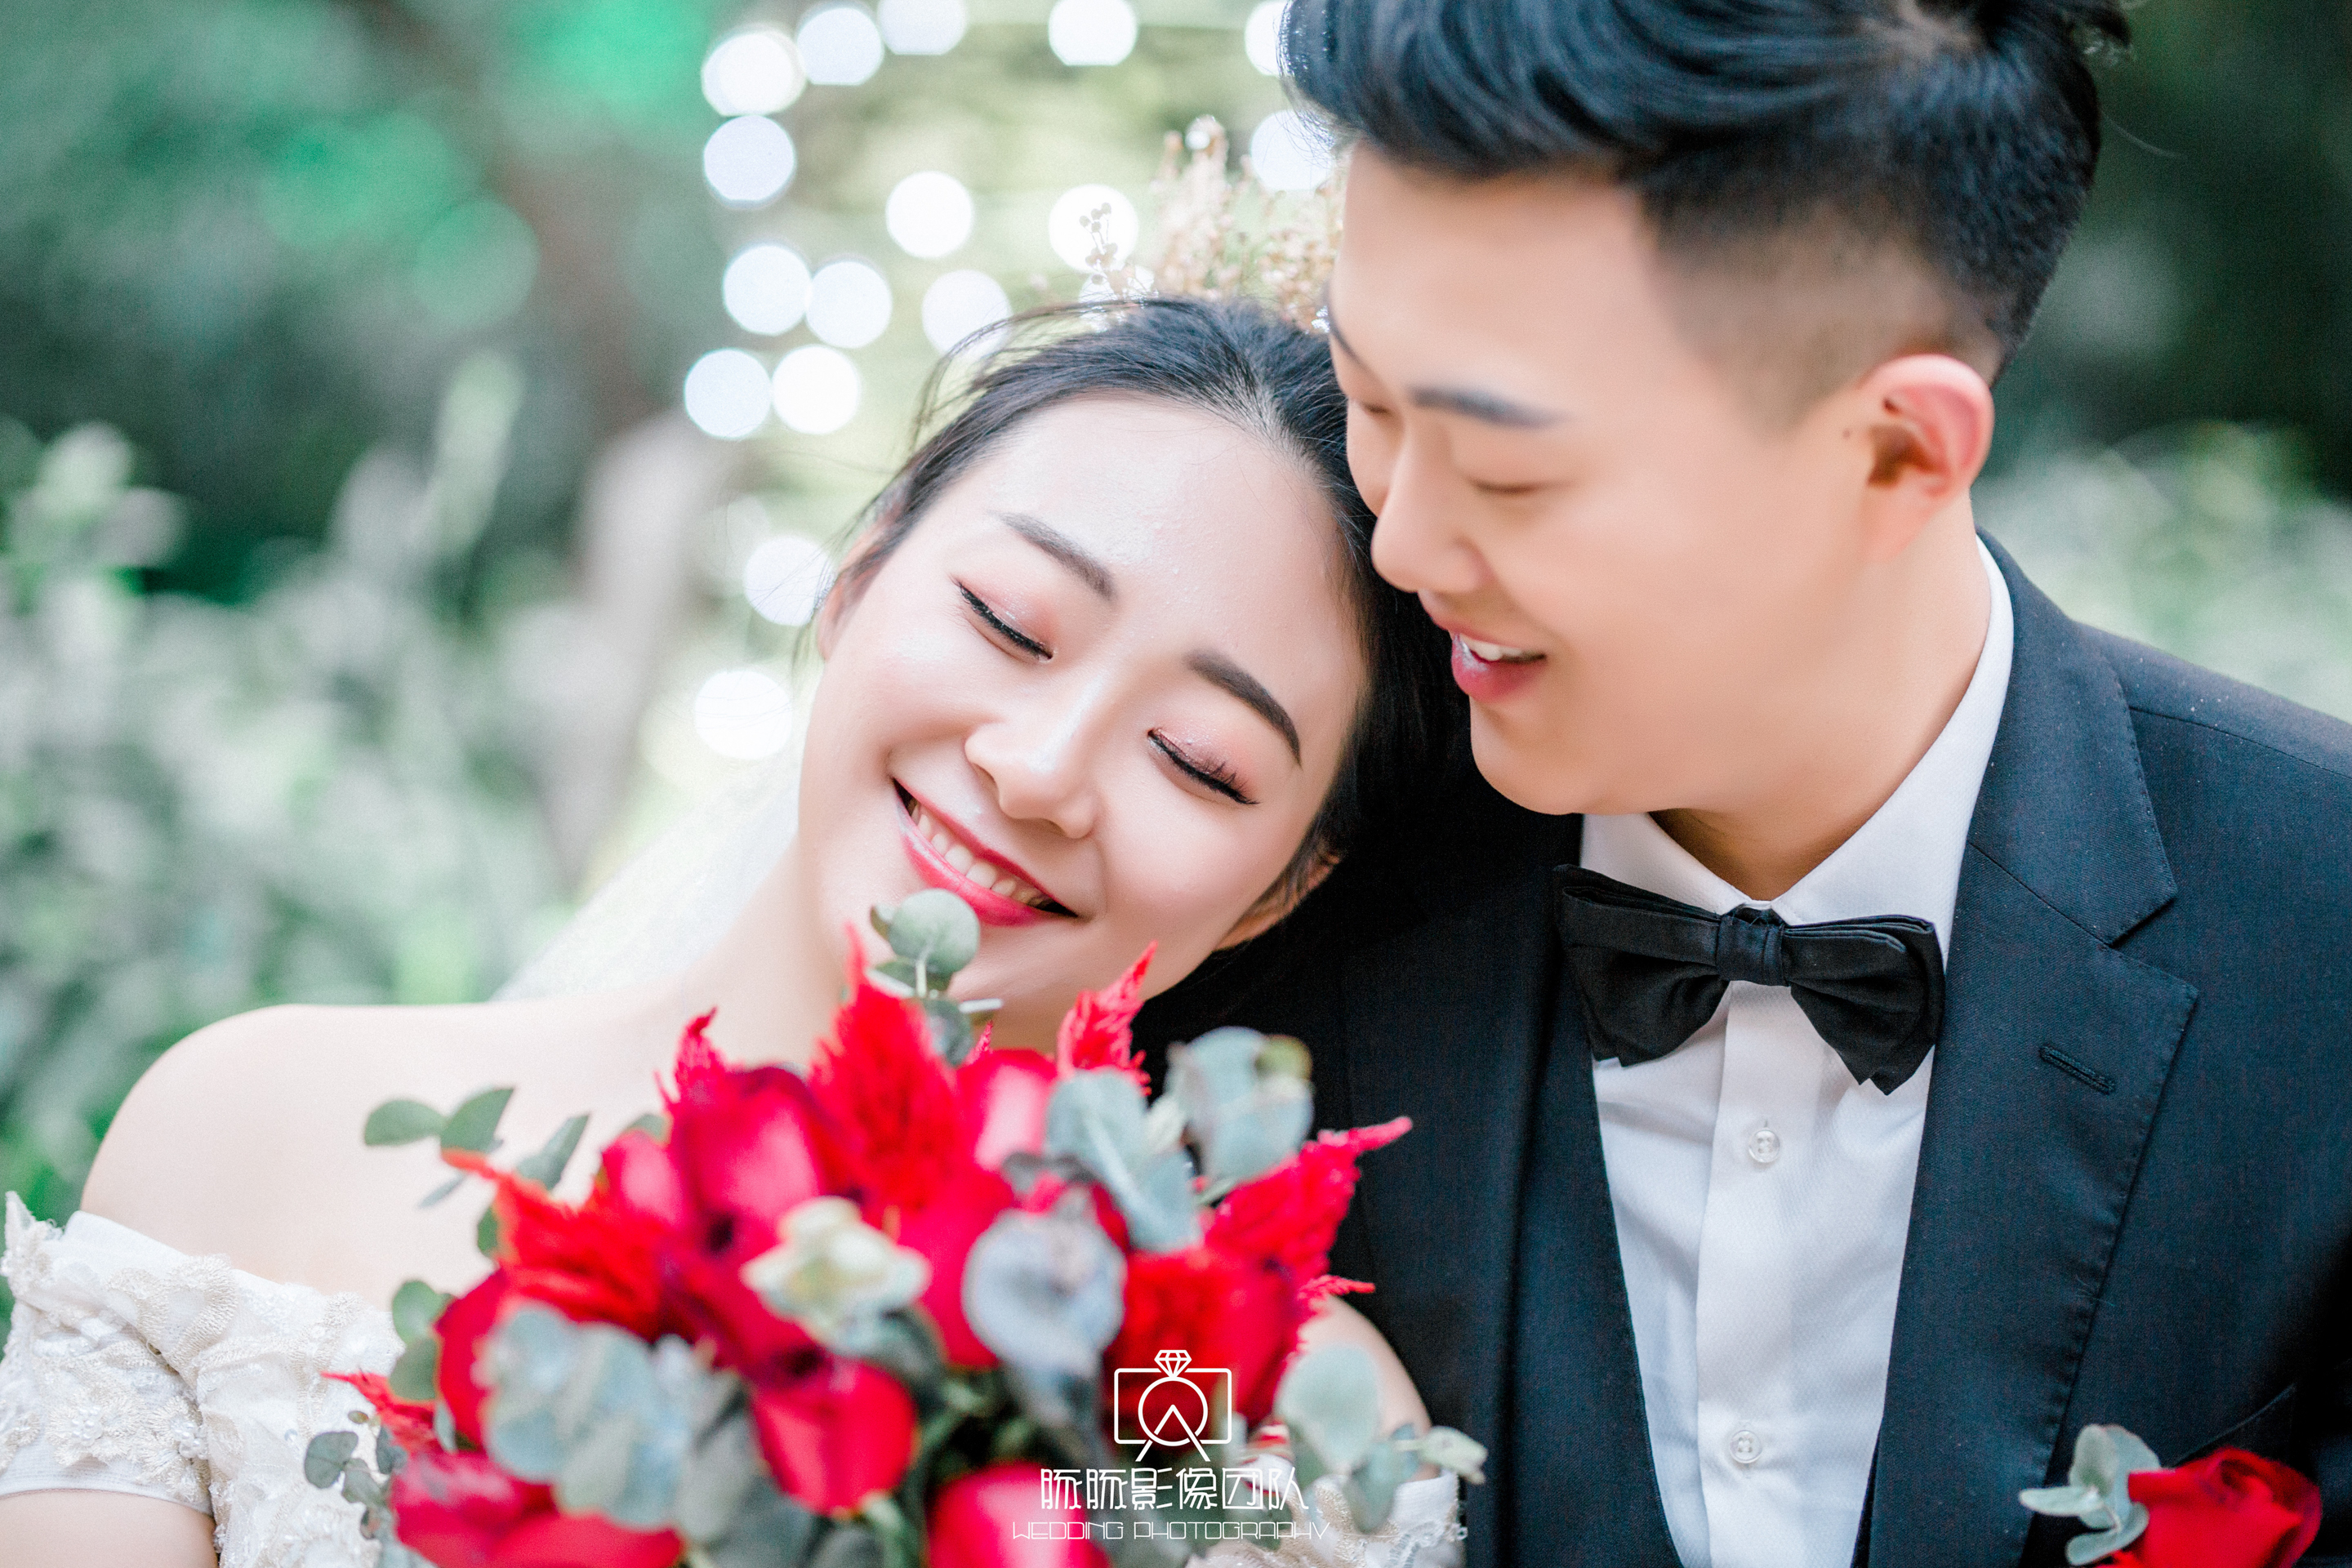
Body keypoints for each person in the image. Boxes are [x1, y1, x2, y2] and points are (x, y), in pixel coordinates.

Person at [1135, 2, 2352, 1566]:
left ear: (1899, 452)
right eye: (1370, 403)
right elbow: (1083, 1493)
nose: (1406, 543)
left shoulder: (2322, 942)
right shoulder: (1256, 903)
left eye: (1511, 472)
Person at [0, 296, 1459, 1566]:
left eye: (1198, 761)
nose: (1039, 771)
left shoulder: (1245, 1411)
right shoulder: (252, 1132)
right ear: (859, 574)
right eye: (1011, 623)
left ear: (1287, 882)